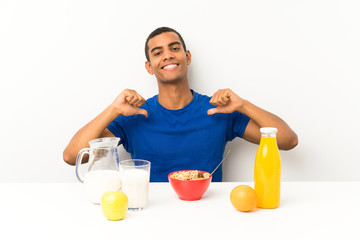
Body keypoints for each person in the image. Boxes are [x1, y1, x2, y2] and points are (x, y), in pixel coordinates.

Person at [63, 27, 298, 182]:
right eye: (158, 52)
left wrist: (244, 105)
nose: (167, 55)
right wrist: (113, 109)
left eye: (174, 48)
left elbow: (288, 140)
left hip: (209, 215)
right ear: (149, 66)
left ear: (187, 57)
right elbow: (72, 156)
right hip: (150, 216)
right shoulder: (135, 115)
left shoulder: (218, 111)